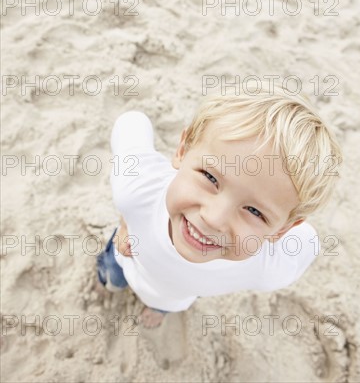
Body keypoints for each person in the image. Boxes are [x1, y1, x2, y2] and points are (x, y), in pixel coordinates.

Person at [97, 82, 342, 328]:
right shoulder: (139, 189)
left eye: (255, 211)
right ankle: (113, 281)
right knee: (112, 276)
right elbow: (131, 122)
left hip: (175, 296)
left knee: (165, 301)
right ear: (183, 150)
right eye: (210, 177)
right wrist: (127, 223)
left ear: (281, 230)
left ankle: (159, 308)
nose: (214, 218)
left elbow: (309, 241)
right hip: (127, 256)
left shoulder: (268, 269)